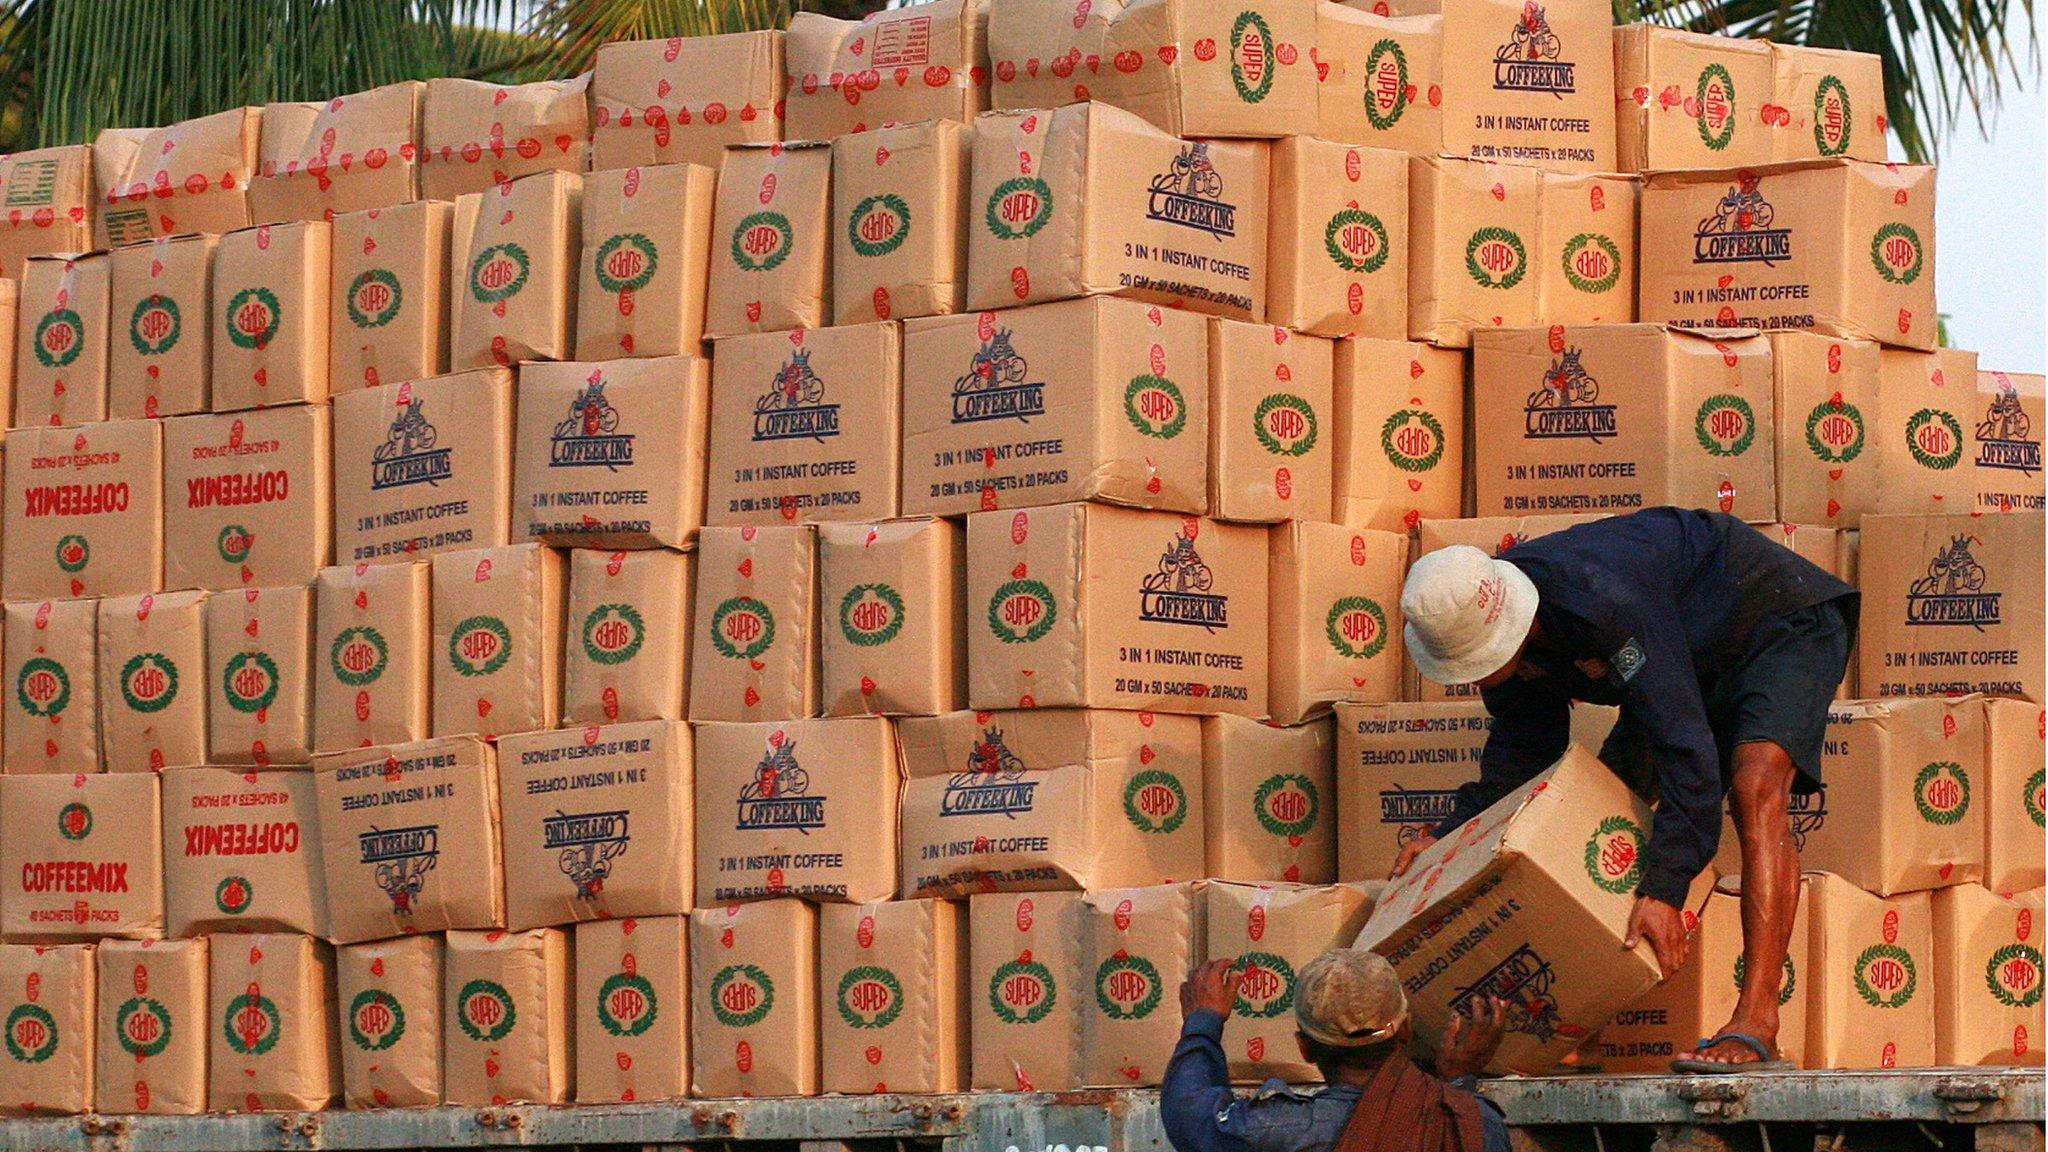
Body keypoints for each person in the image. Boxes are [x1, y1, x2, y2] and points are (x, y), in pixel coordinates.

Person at [1392, 508, 1855, 1073]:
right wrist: (1447, 835)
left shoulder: (1601, 602)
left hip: (1775, 617)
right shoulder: (1491, 626)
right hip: (1681, 647)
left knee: (1755, 782)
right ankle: (1568, 1024)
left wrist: (1666, 889)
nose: (1476, 674)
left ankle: (1757, 1021)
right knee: (1599, 807)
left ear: (1510, 625)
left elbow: (1686, 749)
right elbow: (1522, 757)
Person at [1162, 951, 1511, 1152]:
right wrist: (1456, 1082)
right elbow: (1455, 1127)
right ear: (1405, 1029)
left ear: (1305, 1048)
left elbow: (1189, 1116)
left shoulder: (1278, 1127)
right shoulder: (1477, 1121)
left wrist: (1203, 1021)